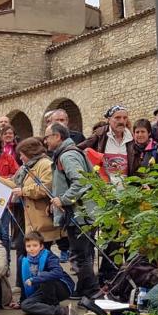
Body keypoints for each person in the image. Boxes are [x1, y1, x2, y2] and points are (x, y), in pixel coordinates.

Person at [44, 123, 99, 298]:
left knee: (80, 256)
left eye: (47, 137)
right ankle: (85, 290)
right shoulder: (68, 153)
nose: (45, 141)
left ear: (57, 137)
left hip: (80, 214)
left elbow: (81, 181)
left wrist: (63, 199)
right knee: (83, 255)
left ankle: (90, 291)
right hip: (80, 213)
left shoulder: (67, 156)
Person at [11, 138, 63, 290]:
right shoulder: (25, 167)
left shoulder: (44, 164)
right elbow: (15, 183)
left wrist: (24, 191)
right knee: (23, 250)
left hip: (40, 218)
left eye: (22, 155)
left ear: (30, 153)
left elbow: (46, 186)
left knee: (41, 254)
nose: (20, 158)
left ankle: (41, 286)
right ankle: (22, 285)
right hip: (27, 216)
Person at [18, 232, 77, 315]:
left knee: (45, 276)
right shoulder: (23, 260)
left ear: (41, 246)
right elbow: (23, 282)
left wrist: (35, 279)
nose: (31, 249)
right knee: (25, 305)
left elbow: (58, 272)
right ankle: (62, 310)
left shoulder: (49, 256)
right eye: (28, 246)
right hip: (41, 290)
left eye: (35, 245)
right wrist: (21, 300)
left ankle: (51, 304)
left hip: (61, 288)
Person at [79, 105, 137, 185]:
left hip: (126, 189)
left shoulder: (131, 138)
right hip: (104, 188)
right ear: (109, 120)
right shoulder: (100, 134)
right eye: (117, 118)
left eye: (125, 118)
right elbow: (79, 149)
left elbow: (136, 165)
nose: (121, 121)